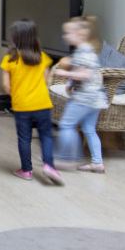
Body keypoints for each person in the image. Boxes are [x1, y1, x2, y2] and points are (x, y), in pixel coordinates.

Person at [1, 19, 62, 184]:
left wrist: (17, 93)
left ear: (15, 39)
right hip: (43, 104)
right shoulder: (42, 57)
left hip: (22, 107)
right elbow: (46, 81)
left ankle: (26, 170)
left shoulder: (10, 59)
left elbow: (6, 86)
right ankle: (49, 166)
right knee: (46, 137)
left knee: (24, 138)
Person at [53, 16, 108, 173]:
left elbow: (85, 75)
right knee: (89, 129)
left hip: (84, 98)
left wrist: (64, 72)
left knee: (66, 125)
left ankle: (67, 159)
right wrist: (70, 84)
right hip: (96, 98)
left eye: (68, 33)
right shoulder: (87, 51)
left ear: (80, 34)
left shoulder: (83, 52)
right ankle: (97, 162)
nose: (65, 36)